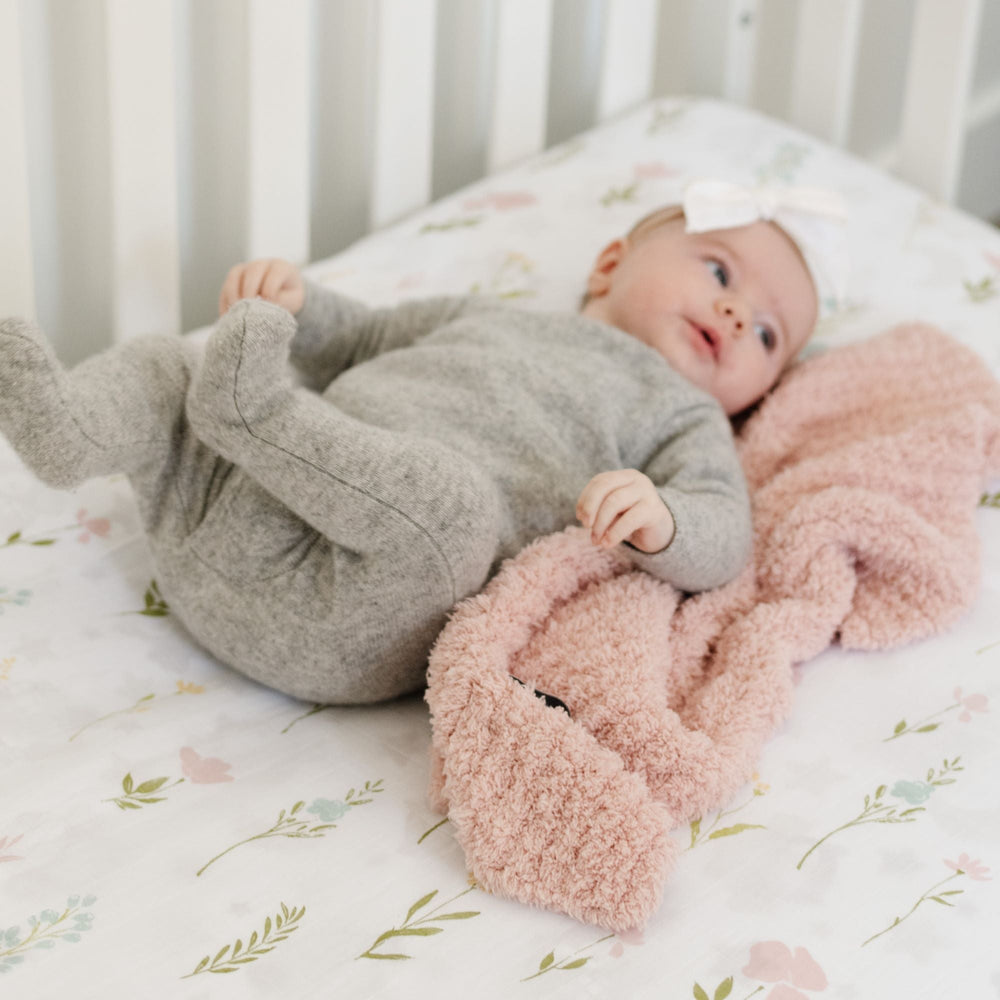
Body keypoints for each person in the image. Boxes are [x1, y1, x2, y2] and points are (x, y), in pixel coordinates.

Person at [0, 180, 847, 705]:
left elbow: (723, 537)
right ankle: (69, 429)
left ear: (761, 393)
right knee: (167, 366)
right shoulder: (487, 314)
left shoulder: (683, 418)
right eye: (720, 271)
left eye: (768, 335)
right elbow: (364, 340)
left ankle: (253, 415)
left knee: (454, 506)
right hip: (214, 516)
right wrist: (300, 304)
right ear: (608, 264)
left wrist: (662, 521)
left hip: (345, 611)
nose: (736, 313)